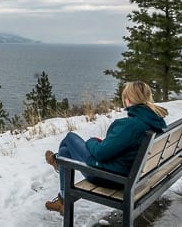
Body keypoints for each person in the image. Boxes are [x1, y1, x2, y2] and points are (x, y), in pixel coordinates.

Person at [43, 80, 168, 214]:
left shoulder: (132, 125)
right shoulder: (153, 121)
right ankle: (62, 197)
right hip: (130, 173)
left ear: (129, 99)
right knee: (65, 151)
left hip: (110, 177)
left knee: (70, 138)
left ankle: (57, 161)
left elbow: (100, 153)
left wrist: (91, 141)